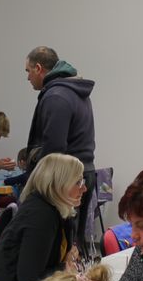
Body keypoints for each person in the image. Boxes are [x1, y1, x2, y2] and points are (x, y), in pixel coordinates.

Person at [0, 153, 84, 281]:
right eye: (78, 182)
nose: (84, 188)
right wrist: (65, 267)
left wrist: (68, 258)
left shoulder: (57, 210)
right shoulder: (41, 214)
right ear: (59, 183)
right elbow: (30, 279)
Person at [23, 46, 97, 252]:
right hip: (84, 173)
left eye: (28, 71)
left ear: (38, 68)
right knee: (74, 244)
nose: (28, 77)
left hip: (64, 180)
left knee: (59, 248)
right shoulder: (76, 92)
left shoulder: (56, 96)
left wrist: (37, 177)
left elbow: (54, 151)